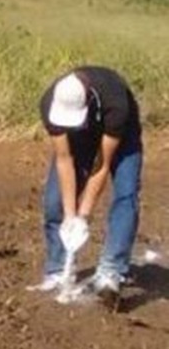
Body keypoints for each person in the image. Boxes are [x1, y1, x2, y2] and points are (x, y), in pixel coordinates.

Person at [31, 66, 143, 307]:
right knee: (54, 202)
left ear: (89, 99)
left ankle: (111, 271)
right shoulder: (50, 104)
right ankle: (58, 270)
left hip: (121, 134)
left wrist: (84, 215)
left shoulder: (116, 104)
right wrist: (70, 215)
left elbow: (102, 164)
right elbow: (64, 159)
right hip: (80, 134)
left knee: (126, 193)